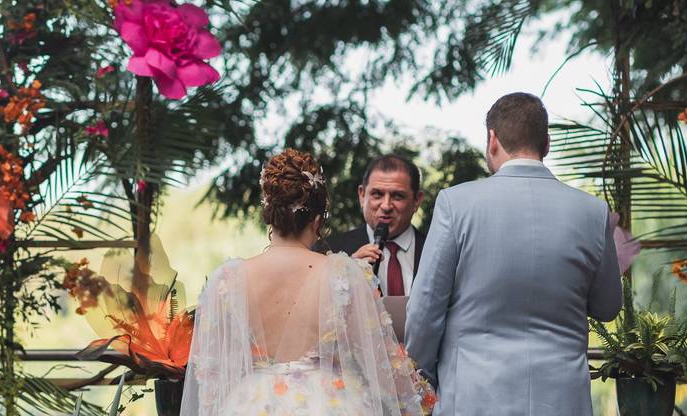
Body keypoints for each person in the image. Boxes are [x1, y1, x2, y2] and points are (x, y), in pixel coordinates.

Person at [406, 93, 623, 415]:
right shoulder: (592, 212)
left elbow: (425, 309)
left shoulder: (457, 204)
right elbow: (607, 307)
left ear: (492, 139)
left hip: (473, 396)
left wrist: (420, 379)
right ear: (546, 143)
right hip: (562, 400)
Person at [180, 148, 428, 416]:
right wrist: (420, 402)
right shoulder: (344, 275)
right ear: (318, 219)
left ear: (269, 215)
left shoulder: (226, 279)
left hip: (250, 405)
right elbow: (385, 369)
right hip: (331, 404)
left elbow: (210, 379)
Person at [320, 155, 425, 296]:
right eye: (377, 194)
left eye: (397, 196)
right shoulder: (328, 251)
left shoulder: (436, 250)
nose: (386, 206)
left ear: (416, 200)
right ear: (362, 196)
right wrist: (347, 274)